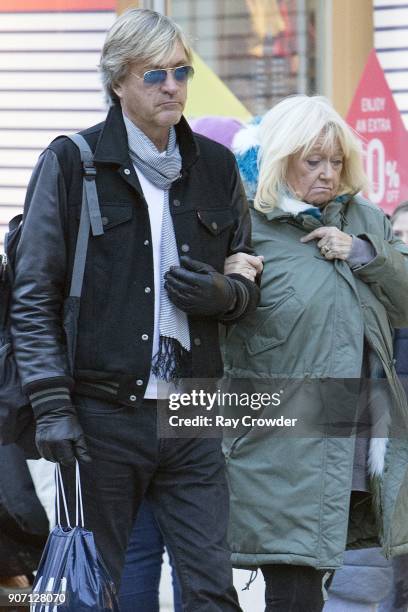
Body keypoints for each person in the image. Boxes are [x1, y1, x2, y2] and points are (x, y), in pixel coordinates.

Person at [10, 9, 261, 609]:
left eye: (180, 72)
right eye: (155, 74)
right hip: (102, 413)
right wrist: (51, 407)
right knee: (96, 591)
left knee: (210, 589)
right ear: (119, 80)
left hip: (193, 410)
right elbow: (33, 294)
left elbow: (248, 275)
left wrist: (225, 295)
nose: (171, 85)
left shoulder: (216, 166)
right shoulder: (73, 162)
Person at [223, 95, 408, 611]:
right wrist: (228, 284)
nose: (327, 173)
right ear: (281, 158)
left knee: (359, 590)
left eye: (336, 161)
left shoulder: (364, 220)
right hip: (282, 446)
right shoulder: (246, 226)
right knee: (295, 594)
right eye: (313, 161)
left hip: (359, 446)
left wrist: (365, 255)